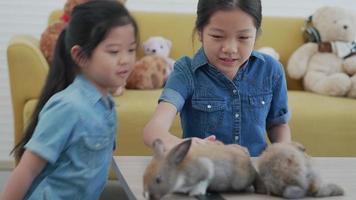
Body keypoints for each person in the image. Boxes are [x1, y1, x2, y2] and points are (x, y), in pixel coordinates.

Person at [0, 1, 138, 199]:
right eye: (114, 51)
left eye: (131, 50)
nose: (125, 59)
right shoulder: (68, 107)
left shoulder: (107, 106)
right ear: (80, 56)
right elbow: (27, 169)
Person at [143, 0, 291, 156]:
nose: (230, 49)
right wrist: (182, 145)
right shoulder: (185, 72)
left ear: (256, 34)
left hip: (254, 171)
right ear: (200, 32)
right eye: (217, 36)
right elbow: (153, 130)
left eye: (243, 37)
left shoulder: (271, 70)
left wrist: (284, 152)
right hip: (204, 172)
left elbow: (277, 125)